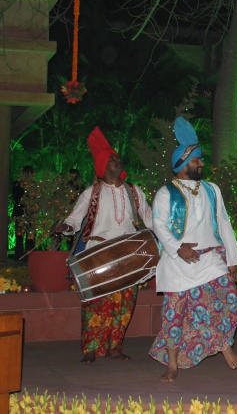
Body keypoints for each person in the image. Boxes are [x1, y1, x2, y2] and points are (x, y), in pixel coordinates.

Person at [149, 117, 237, 382]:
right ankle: (173, 364)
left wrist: (233, 259)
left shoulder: (212, 189)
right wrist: (178, 248)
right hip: (178, 264)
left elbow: (223, 223)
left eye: (200, 160)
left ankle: (224, 344)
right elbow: (158, 224)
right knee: (173, 315)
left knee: (228, 300)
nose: (201, 164)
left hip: (211, 259)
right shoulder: (165, 193)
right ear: (181, 165)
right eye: (196, 161)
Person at [53, 128, 152, 364]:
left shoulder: (134, 191)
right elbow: (74, 221)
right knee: (95, 303)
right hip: (98, 253)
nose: (118, 161)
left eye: (118, 158)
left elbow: (150, 219)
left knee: (125, 302)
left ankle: (115, 348)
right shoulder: (91, 193)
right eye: (113, 159)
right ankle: (90, 348)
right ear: (103, 165)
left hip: (128, 254)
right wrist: (65, 228)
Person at [12, 165, 34, 259]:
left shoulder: (34, 185)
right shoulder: (17, 183)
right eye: (26, 172)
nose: (28, 174)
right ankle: (19, 254)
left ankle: (30, 255)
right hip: (20, 212)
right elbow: (16, 197)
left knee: (31, 235)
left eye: (30, 172)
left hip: (31, 213)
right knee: (19, 234)